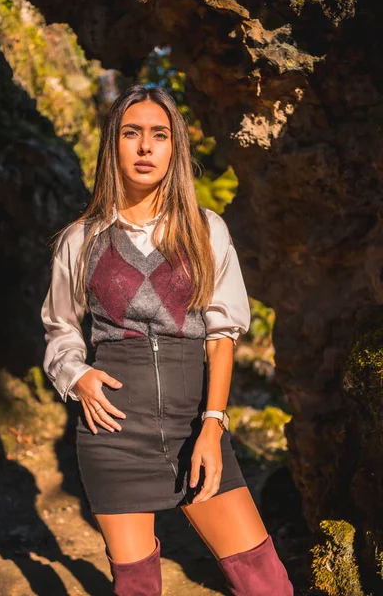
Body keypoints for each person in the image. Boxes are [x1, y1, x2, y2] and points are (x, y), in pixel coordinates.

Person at [41, 84, 293, 596]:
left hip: (193, 422)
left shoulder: (205, 230)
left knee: (266, 583)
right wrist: (78, 374)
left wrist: (213, 426)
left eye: (158, 135)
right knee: (137, 589)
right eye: (131, 134)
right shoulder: (80, 239)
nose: (144, 147)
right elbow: (61, 325)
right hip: (113, 431)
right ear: (113, 145)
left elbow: (222, 333)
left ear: (174, 147)